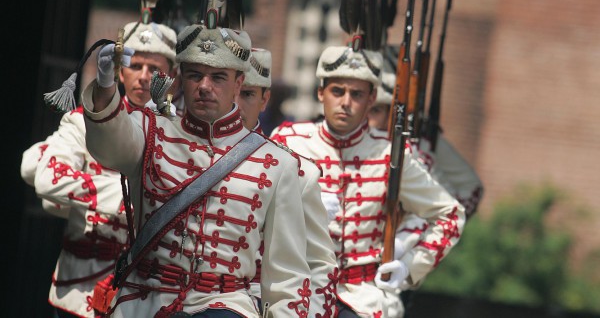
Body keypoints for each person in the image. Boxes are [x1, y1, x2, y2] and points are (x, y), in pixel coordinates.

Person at [81, 17, 312, 317]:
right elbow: (108, 146)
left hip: (224, 305)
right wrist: (105, 86)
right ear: (179, 79)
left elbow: (288, 274)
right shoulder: (149, 129)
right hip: (144, 300)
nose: (205, 86)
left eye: (218, 77)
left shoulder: (278, 163)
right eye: (195, 75)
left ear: (239, 84)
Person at [271, 42, 466, 317]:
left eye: (357, 94)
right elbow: (257, 213)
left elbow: (449, 215)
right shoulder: (288, 141)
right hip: (295, 289)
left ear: (372, 99)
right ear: (320, 93)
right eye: (337, 91)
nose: (346, 102)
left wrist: (410, 266)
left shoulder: (391, 154)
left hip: (361, 296)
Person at [23, 16, 178, 318]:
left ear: (171, 75)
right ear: (120, 70)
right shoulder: (82, 121)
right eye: (136, 65)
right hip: (79, 291)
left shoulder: (176, 132)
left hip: (144, 298)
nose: (144, 77)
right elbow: (46, 175)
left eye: (155, 69)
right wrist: (133, 197)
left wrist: (80, 196)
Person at [236, 47, 338, 316]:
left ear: (265, 99)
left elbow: (318, 264)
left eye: (247, 94)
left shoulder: (294, 169)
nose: (235, 103)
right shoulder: (181, 150)